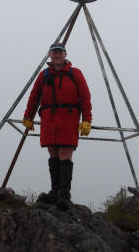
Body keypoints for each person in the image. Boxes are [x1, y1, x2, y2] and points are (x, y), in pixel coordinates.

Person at [23, 42, 92, 209]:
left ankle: (64, 195)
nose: (57, 55)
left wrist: (86, 120)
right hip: (49, 120)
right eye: (55, 53)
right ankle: (55, 192)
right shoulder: (44, 75)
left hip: (68, 119)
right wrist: (28, 116)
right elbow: (34, 96)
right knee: (53, 154)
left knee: (65, 155)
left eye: (60, 52)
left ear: (65, 54)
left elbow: (85, 97)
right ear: (50, 55)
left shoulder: (75, 74)